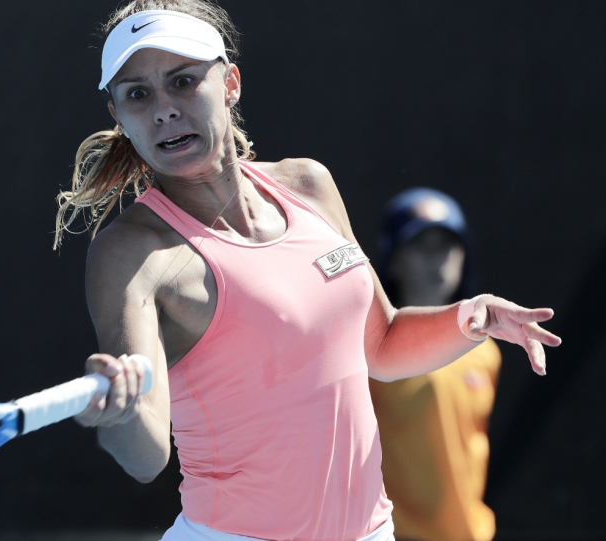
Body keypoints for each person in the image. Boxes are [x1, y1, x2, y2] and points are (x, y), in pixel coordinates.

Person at [54, 2, 561, 540]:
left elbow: (382, 345)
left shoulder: (309, 185)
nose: (162, 110)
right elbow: (146, 453)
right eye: (138, 94)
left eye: (183, 81)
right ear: (118, 115)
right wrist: (120, 413)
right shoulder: (130, 252)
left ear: (230, 83)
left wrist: (467, 319)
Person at [369, 188, 500, 541]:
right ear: (393, 258)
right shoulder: (366, 345)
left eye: (446, 245)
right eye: (420, 245)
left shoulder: (487, 352)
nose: (436, 258)